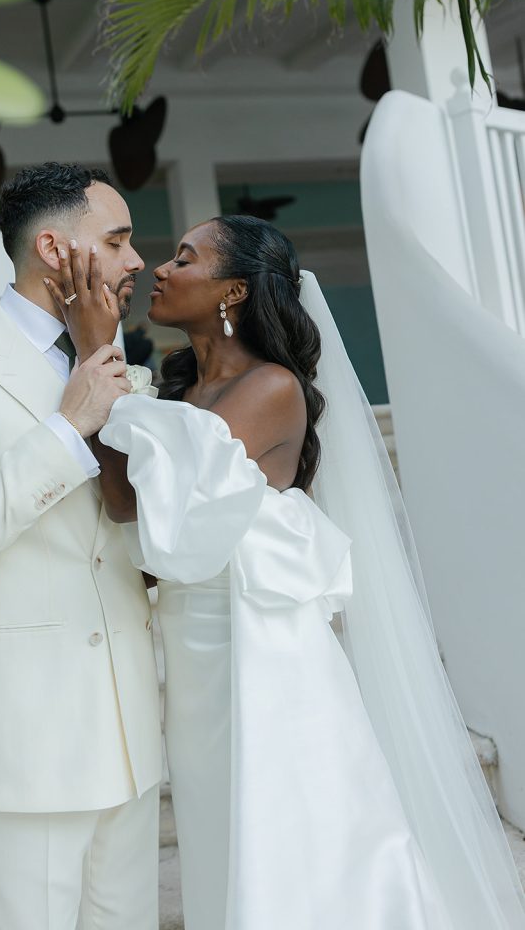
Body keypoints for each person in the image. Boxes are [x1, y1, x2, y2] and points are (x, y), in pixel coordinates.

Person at [49, 214, 525, 929]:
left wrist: (95, 348)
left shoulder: (274, 390)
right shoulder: (174, 399)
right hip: (195, 657)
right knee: (225, 834)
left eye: (185, 258)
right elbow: (124, 504)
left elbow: (175, 519)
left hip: (266, 652)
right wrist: (105, 365)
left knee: (291, 835)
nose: (160, 269)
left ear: (232, 291)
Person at [0, 163, 162, 930]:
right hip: (26, 742)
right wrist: (64, 429)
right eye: (117, 240)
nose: (136, 260)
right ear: (53, 248)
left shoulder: (118, 362)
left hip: (130, 729)